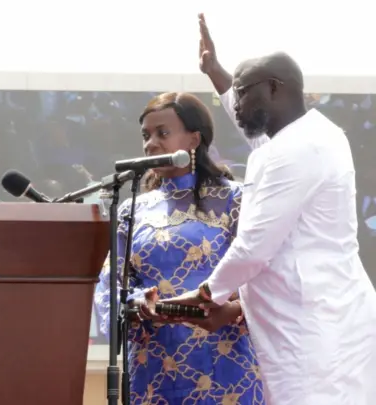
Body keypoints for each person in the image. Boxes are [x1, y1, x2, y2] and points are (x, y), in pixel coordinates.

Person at [159, 14, 376, 405]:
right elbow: (251, 130)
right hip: (307, 321)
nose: (235, 105)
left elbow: (253, 248)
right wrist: (215, 72)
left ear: (275, 88)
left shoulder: (298, 149)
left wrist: (205, 295)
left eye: (243, 94)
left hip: (315, 329)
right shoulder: (302, 135)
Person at [94, 92, 265, 404]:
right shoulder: (131, 210)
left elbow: (265, 274)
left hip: (226, 361)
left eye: (163, 133)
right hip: (154, 362)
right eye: (146, 136)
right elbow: (110, 285)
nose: (150, 145)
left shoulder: (237, 200)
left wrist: (234, 310)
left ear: (194, 139)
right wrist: (137, 303)